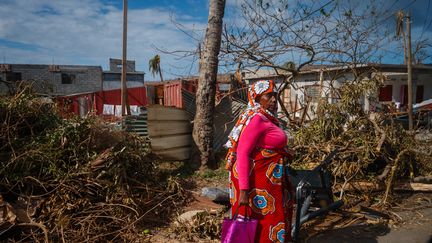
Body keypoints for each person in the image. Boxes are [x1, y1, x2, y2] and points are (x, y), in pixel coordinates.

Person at [225, 79, 294, 243]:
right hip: (258, 182)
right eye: (268, 96)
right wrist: (243, 191)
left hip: (268, 181)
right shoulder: (256, 119)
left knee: (266, 219)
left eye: (275, 96)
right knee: (262, 220)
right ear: (256, 98)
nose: (273, 100)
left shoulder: (266, 118)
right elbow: (242, 153)